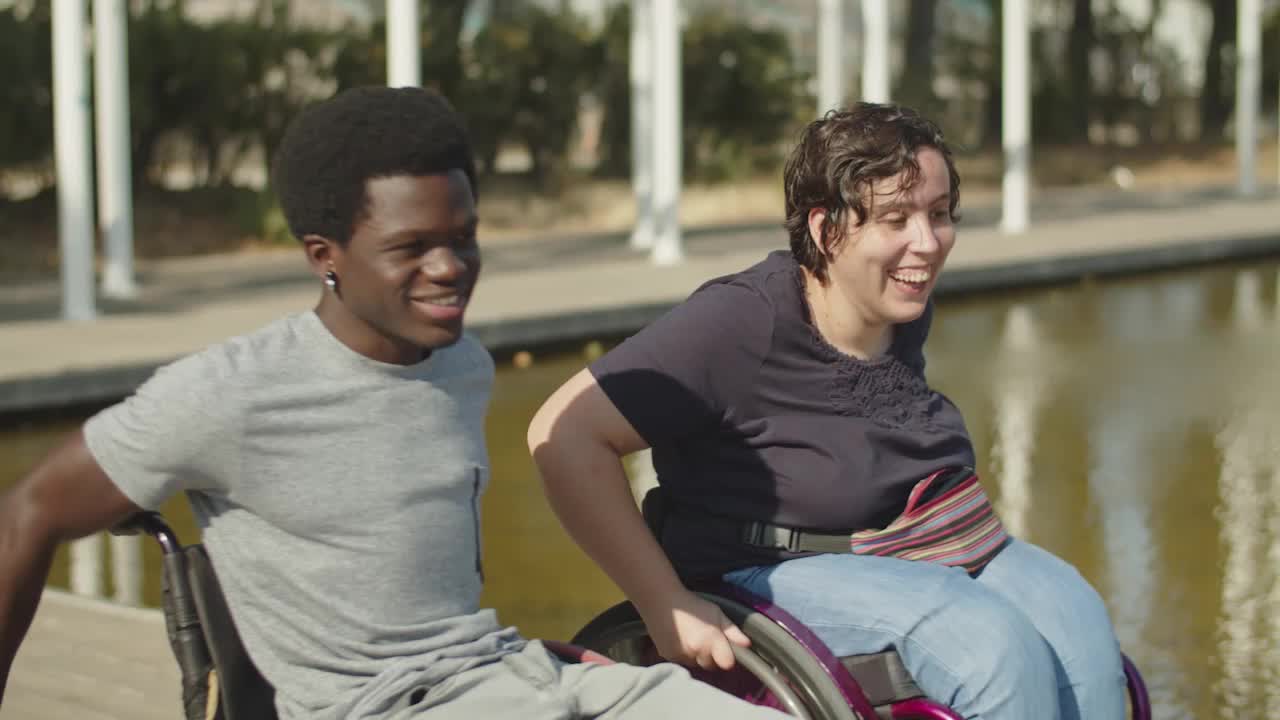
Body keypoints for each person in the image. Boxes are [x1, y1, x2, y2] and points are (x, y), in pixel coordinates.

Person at [0, 86, 789, 720]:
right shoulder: (229, 392)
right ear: (325, 257)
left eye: (465, 237)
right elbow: (28, 512)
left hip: (513, 677)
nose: (450, 268)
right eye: (411, 248)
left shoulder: (462, 364)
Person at [527, 103, 1128, 720]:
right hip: (771, 562)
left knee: (1080, 627)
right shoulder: (742, 321)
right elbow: (563, 432)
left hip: (918, 537)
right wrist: (664, 602)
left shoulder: (897, 295)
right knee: (991, 647)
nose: (926, 243)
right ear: (826, 230)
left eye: (940, 214)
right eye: (896, 218)